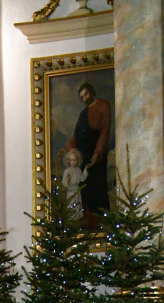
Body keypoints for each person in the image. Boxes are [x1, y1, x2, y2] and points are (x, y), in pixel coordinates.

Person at [60, 82, 111, 228]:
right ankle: (88, 220)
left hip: (96, 156)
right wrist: (67, 148)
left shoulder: (103, 105)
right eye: (82, 97)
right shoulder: (83, 114)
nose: (85, 98)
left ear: (92, 91)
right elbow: (77, 135)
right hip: (84, 154)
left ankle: (101, 221)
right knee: (85, 187)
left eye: (86, 94)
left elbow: (105, 131)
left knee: (98, 186)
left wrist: (98, 152)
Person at [62, 148, 88, 220]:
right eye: (71, 160)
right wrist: (67, 181)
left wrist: (85, 171)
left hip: (77, 190)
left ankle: (77, 219)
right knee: (71, 205)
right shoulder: (67, 171)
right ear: (68, 161)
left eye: (74, 160)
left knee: (78, 205)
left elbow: (82, 178)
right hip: (70, 190)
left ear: (77, 161)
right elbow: (63, 182)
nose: (73, 162)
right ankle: (71, 219)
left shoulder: (78, 170)